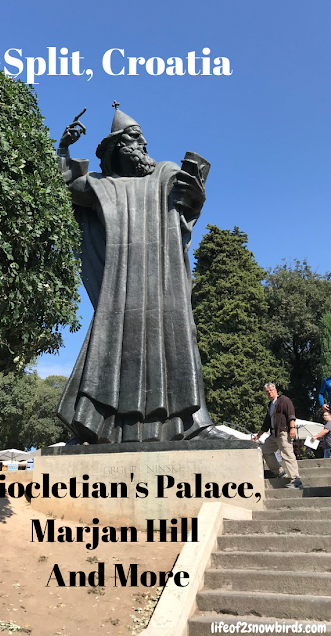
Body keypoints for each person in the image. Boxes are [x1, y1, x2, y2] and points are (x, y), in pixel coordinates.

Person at [55, 103, 234, 445]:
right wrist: (63, 149)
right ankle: (98, 426)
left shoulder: (165, 173)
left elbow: (189, 201)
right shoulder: (102, 185)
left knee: (178, 338)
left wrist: (195, 191)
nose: (144, 145)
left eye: (143, 139)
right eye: (136, 139)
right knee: (113, 346)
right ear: (117, 147)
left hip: (164, 279)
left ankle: (194, 424)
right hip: (121, 285)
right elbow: (68, 187)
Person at [253, 383, 303, 488]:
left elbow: (291, 415)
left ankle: (296, 479)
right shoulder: (270, 405)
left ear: (275, 390)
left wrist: (292, 428)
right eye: (267, 391)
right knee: (266, 450)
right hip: (274, 434)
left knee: (287, 454)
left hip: (283, 431)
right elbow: (266, 424)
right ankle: (279, 472)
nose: (269, 393)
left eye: (271, 390)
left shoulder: (284, 400)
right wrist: (258, 436)